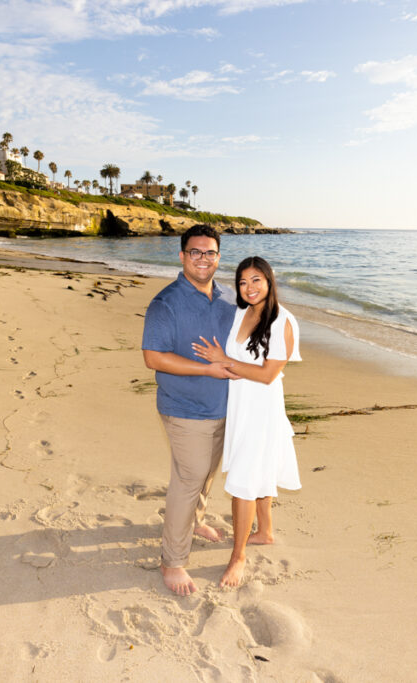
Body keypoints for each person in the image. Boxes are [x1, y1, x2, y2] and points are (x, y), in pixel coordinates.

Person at [192, 256, 302, 588]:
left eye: (256, 280)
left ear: (269, 281)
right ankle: (265, 532)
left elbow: (268, 375)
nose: (249, 288)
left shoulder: (283, 322)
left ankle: (238, 557)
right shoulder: (241, 312)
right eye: (242, 282)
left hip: (261, 411)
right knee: (257, 473)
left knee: (243, 481)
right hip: (240, 406)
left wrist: (225, 360)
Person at [141, 224, 238, 596]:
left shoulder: (229, 297)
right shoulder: (165, 303)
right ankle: (172, 561)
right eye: (195, 252)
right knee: (189, 479)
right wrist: (206, 369)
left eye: (210, 252)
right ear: (182, 256)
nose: (203, 259)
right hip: (183, 407)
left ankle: (195, 521)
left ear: (218, 257)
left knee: (207, 473)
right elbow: (153, 357)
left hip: (223, 405)